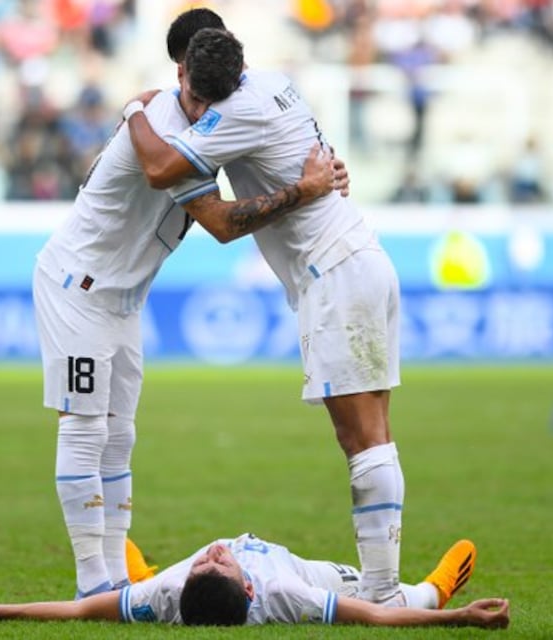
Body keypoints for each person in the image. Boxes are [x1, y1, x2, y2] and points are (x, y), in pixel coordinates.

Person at [33, 27, 350, 599]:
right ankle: (92, 582)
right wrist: (306, 190)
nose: (205, 109)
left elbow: (257, 182)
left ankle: (114, 576)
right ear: (180, 72)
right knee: (84, 427)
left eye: (215, 101)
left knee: (120, 432)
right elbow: (224, 223)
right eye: (198, 96)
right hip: (76, 285)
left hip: (123, 298)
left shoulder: (209, 132)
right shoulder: (160, 128)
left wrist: (321, 179)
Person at [123, 10, 407, 607]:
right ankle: (385, 588)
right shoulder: (274, 81)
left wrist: (133, 110)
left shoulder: (233, 113)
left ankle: (383, 595)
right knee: (372, 433)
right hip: (360, 255)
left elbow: (160, 169)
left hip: (334, 273)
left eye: (198, 100)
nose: (196, 111)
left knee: (362, 439)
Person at [0, 535, 509, 629]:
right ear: (247, 586)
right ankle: (436, 586)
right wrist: (456, 616)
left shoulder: (170, 596)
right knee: (395, 596)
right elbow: (380, 619)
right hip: (304, 566)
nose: (214, 551)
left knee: (127, 577)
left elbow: (79, 612)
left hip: (163, 583)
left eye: (207, 562)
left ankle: (146, 568)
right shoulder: (288, 592)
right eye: (219, 561)